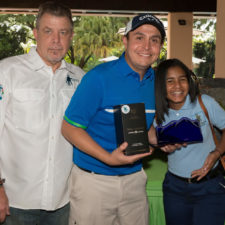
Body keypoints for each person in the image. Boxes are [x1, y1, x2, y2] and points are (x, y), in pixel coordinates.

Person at [61, 13, 166, 225]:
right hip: (94, 183)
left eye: (154, 40)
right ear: (125, 41)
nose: (147, 46)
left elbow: (143, 129)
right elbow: (69, 129)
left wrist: (164, 140)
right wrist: (109, 158)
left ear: (160, 47)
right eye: (139, 37)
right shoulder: (98, 78)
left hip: (135, 180)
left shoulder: (156, 81)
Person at [0, 2, 84, 225]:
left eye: (63, 32)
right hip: (15, 202)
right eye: (48, 31)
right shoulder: (7, 72)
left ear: (71, 36)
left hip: (63, 202)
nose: (56, 40)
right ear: (36, 33)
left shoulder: (81, 79)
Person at [154, 58, 225, 225]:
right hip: (174, 189)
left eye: (182, 79)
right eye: (169, 81)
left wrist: (216, 153)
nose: (177, 86)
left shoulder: (204, 103)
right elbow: (152, 143)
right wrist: (159, 146)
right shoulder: (157, 114)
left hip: (210, 187)